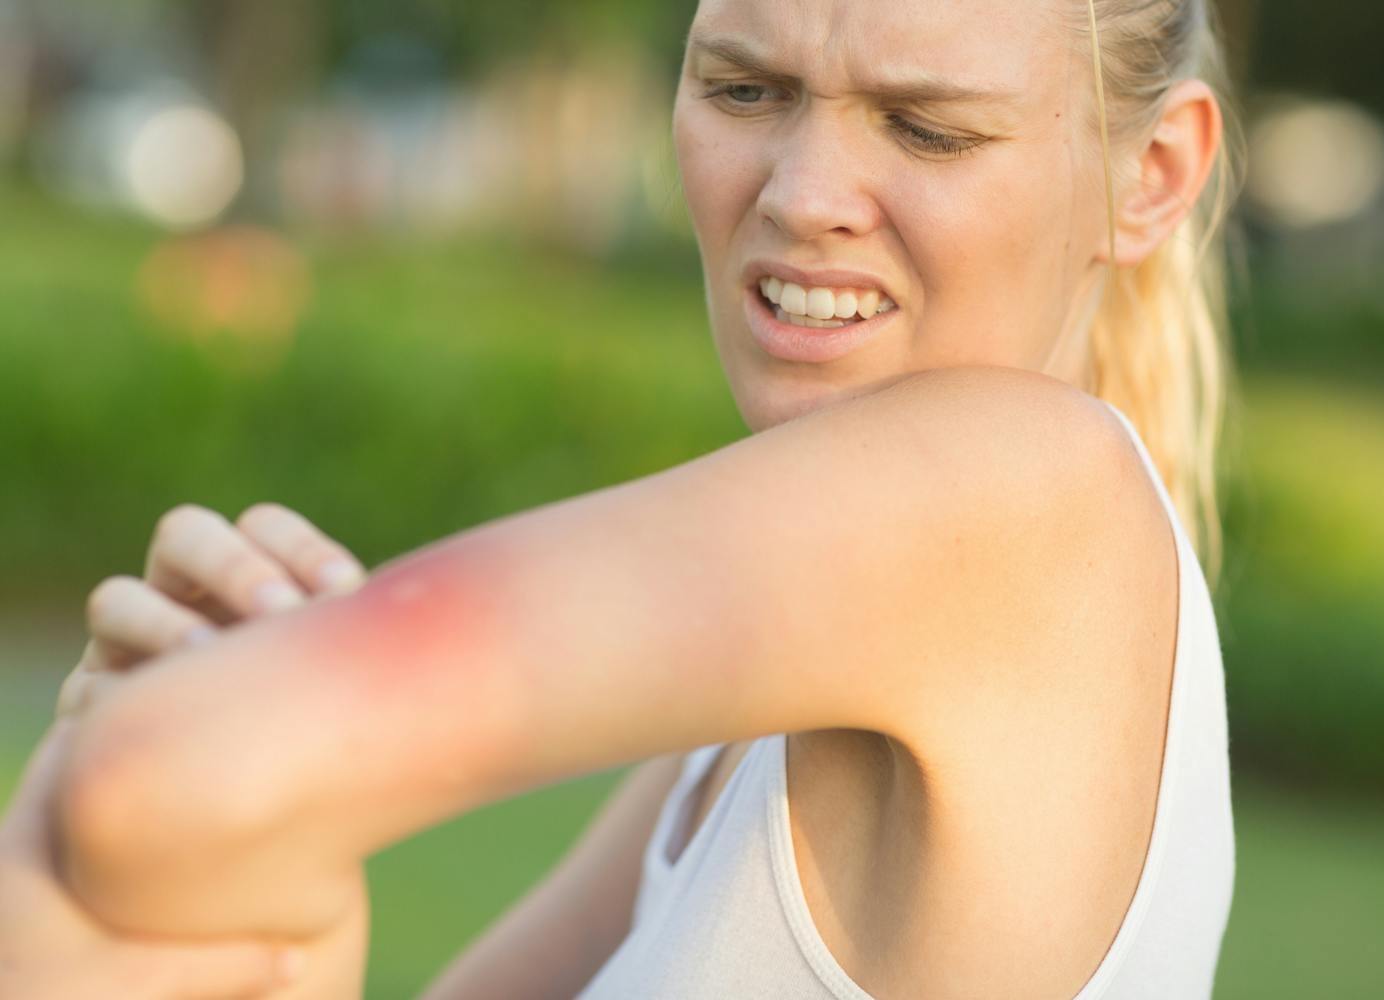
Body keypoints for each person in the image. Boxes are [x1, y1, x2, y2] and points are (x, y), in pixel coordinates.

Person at [0, 0, 1238, 995]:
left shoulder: (1021, 486)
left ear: (1154, 173)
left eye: (928, 128)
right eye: (745, 88)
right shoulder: (757, 716)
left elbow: (151, 782)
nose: (804, 194)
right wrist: (275, 935)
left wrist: (164, 771)